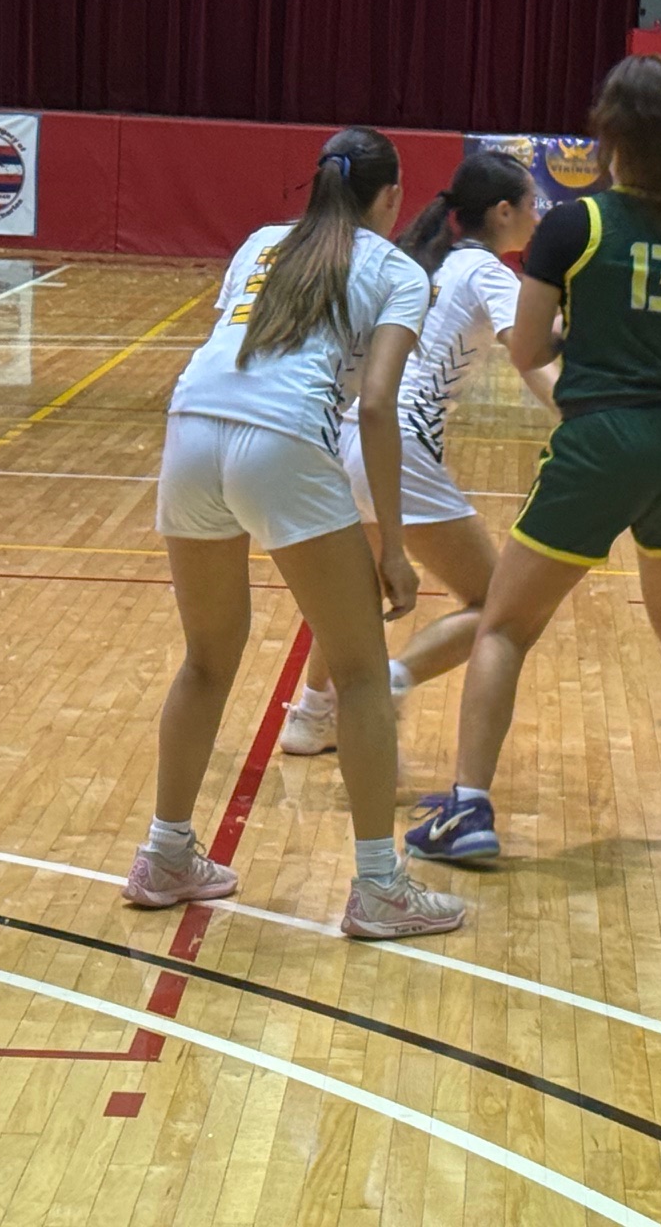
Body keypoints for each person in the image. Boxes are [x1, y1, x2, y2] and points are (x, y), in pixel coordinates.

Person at [406, 55, 661, 860]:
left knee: (506, 629)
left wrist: (583, 344)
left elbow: (527, 347)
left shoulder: (573, 226)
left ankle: (469, 810)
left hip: (601, 440)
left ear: (611, 134)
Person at [123, 126, 465, 939]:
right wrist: (390, 547)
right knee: (356, 674)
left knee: (207, 659)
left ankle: (166, 853)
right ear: (391, 198)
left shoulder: (258, 245)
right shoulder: (397, 270)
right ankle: (379, 887)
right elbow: (377, 405)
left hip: (191, 428)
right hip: (278, 441)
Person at [280, 151, 559, 754]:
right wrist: (578, 412)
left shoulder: (421, 263)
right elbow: (531, 355)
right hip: (398, 441)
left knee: (354, 589)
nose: (538, 217)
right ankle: (392, 679)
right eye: (532, 205)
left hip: (347, 431)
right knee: (496, 606)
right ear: (503, 211)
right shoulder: (486, 273)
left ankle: (310, 715)